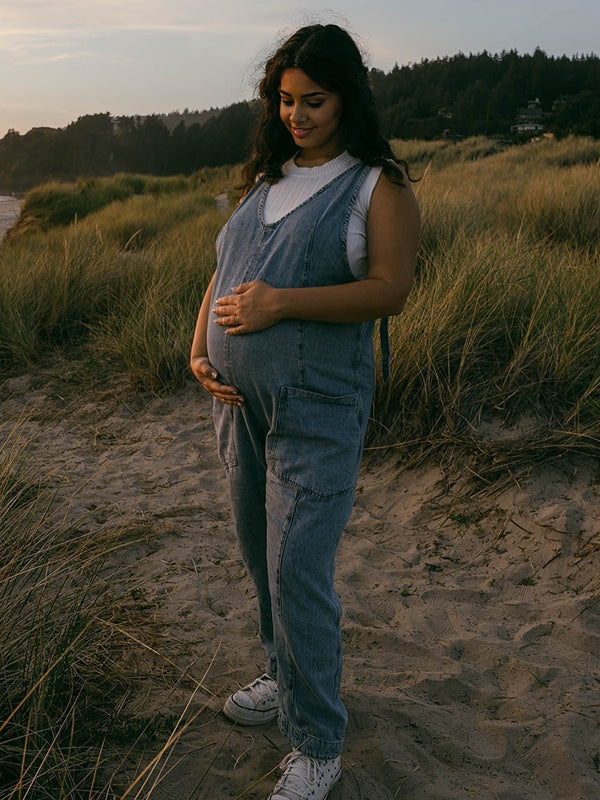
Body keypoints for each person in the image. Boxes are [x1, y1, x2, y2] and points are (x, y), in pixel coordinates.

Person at [190, 23, 420, 800]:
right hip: (238, 407)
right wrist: (198, 350)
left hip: (319, 408)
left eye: (313, 101)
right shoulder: (266, 179)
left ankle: (319, 741)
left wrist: (283, 302)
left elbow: (390, 288)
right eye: (285, 100)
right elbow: (221, 271)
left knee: (298, 570)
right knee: (261, 557)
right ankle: (281, 677)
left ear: (346, 97)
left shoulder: (375, 185)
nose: (297, 115)